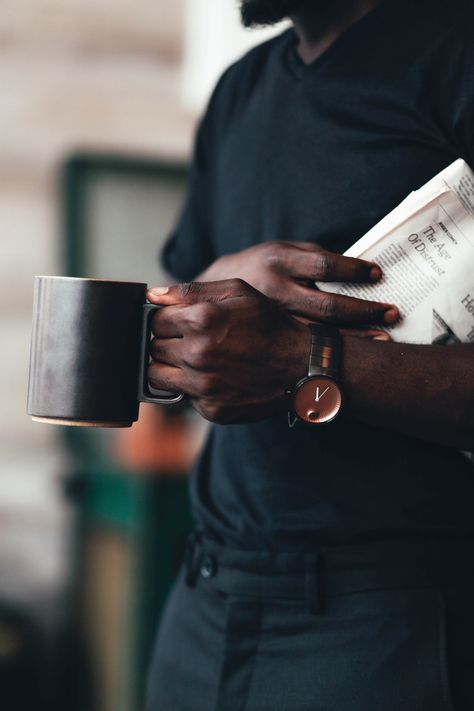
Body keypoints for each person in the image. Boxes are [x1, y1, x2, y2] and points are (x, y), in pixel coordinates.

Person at [146, 1, 474, 709]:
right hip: (204, 599)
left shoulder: (455, 56)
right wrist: (213, 289)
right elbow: (164, 326)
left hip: (390, 622)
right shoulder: (241, 90)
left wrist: (308, 361)